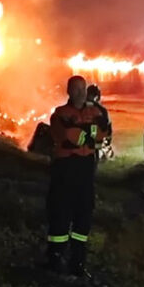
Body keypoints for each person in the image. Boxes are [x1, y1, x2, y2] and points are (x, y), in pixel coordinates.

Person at [46, 75, 109, 276]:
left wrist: (83, 134)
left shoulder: (96, 112)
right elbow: (67, 136)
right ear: (68, 91)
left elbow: (102, 133)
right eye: (76, 89)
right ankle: (55, 259)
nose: (80, 92)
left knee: (84, 215)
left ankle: (78, 263)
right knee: (60, 214)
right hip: (65, 169)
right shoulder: (60, 113)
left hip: (86, 169)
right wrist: (86, 135)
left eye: (82, 88)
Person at [86, 84, 113, 162]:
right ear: (97, 95)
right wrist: (108, 140)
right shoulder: (101, 109)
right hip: (95, 141)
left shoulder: (80, 106)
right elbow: (107, 125)